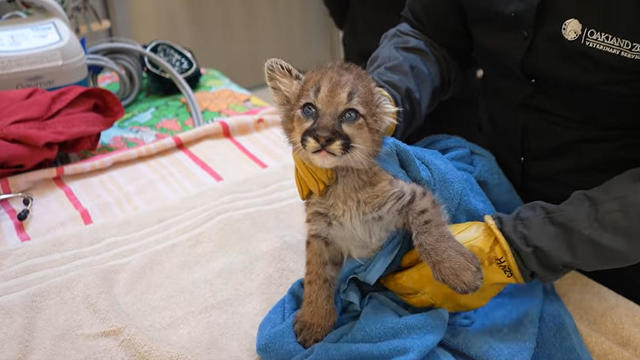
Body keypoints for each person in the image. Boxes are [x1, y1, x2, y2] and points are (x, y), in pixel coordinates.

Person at [362, 0, 640, 304]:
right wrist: (376, 104)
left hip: (614, 247)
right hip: (491, 194)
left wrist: (516, 248)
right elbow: (430, 34)